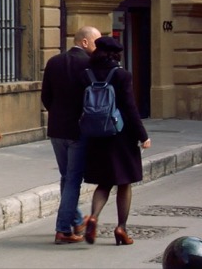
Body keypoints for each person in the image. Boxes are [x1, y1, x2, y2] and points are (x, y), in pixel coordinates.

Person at [83, 36, 151, 245]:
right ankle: (121, 228)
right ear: (117, 54)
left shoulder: (86, 74)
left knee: (104, 182)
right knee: (124, 183)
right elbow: (130, 108)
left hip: (95, 134)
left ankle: (93, 216)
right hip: (121, 135)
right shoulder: (122, 75)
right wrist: (143, 135)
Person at [41, 26, 102, 244]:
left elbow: (46, 96)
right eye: (96, 42)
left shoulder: (54, 61)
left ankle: (76, 220)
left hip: (56, 129)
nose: (99, 47)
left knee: (66, 177)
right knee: (73, 179)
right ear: (84, 42)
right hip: (78, 129)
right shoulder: (90, 65)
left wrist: (57, 114)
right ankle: (63, 230)